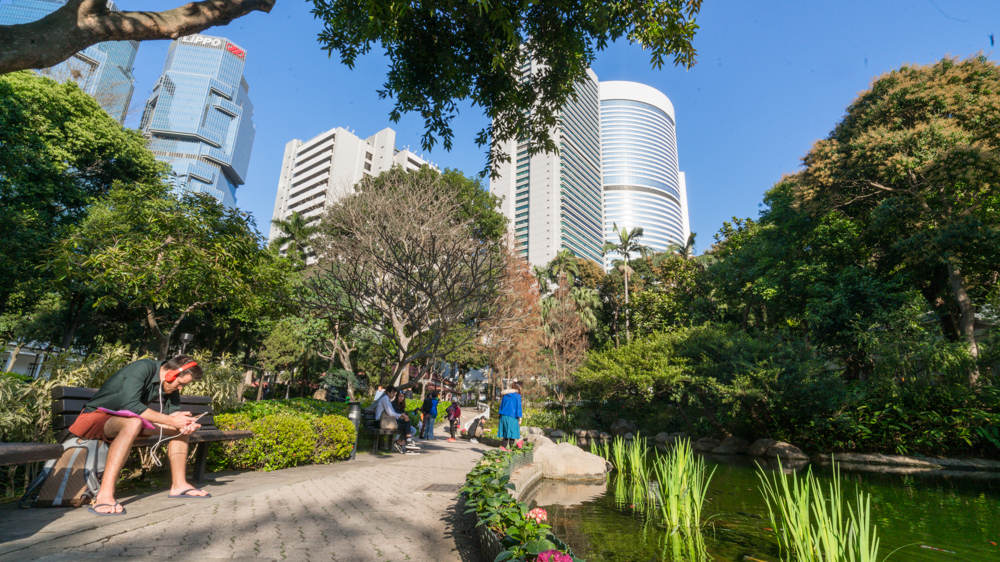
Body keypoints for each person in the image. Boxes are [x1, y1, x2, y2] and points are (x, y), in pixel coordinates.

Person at [66, 355, 208, 515]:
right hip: (94, 418)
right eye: (180, 383)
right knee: (133, 422)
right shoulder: (143, 367)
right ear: (171, 374)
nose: (181, 388)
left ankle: (179, 485)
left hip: (127, 423)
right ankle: (104, 495)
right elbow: (131, 405)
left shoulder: (169, 386)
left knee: (179, 429)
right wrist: (171, 420)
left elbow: (173, 412)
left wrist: (184, 422)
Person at [374, 386, 419, 453]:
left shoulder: (388, 400)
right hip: (381, 422)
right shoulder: (385, 399)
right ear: (388, 392)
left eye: (395, 393)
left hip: (388, 421)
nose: (394, 395)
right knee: (407, 425)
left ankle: (406, 444)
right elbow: (390, 413)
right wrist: (402, 415)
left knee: (407, 424)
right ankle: (406, 443)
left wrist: (403, 417)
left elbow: (393, 414)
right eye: (393, 393)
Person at [497, 381, 523, 448]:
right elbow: (518, 407)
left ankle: (504, 451)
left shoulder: (505, 395)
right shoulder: (517, 395)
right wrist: (520, 418)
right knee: (512, 435)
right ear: (519, 387)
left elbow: (501, 406)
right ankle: (511, 452)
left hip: (503, 416)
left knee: (505, 435)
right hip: (512, 417)